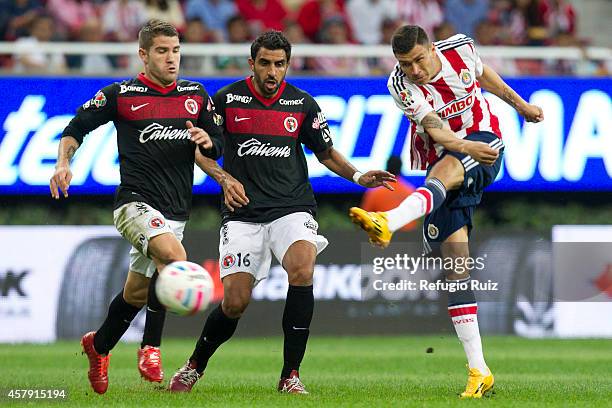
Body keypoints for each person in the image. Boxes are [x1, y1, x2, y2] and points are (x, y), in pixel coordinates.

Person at [167, 30, 395, 394]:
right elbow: (199, 151)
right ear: (251, 63)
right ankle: (195, 365)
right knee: (235, 301)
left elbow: (326, 152)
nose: (273, 72)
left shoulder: (302, 104)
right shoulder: (225, 100)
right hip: (242, 213)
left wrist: (356, 174)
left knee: (302, 270)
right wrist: (224, 178)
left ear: (287, 65)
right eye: (266, 64)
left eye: (280, 64)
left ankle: (290, 375)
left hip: (292, 206)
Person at [349, 25, 543, 398]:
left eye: (419, 60)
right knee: (457, 265)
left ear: (432, 48)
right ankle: (479, 371)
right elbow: (436, 131)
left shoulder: (462, 48)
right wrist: (463, 146)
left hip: (485, 141)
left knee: (448, 170)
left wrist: (521, 107)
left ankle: (389, 220)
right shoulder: (400, 85)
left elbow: (483, 74)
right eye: (406, 64)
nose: (414, 70)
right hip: (449, 155)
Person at [49, 19, 225, 395]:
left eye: (176, 50)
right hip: (134, 203)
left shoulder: (196, 94)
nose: (171, 59)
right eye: (162, 51)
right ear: (143, 55)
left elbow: (218, 145)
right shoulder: (121, 93)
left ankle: (97, 347)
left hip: (176, 209)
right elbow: (76, 127)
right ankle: (151, 348)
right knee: (174, 258)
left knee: (135, 294)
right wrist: (64, 162)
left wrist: (207, 140)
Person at [360, 155, 417, 232]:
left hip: (383, 237)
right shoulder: (410, 190)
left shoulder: (374, 192)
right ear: (400, 168)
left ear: (386, 169)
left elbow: (364, 219)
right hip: (408, 238)